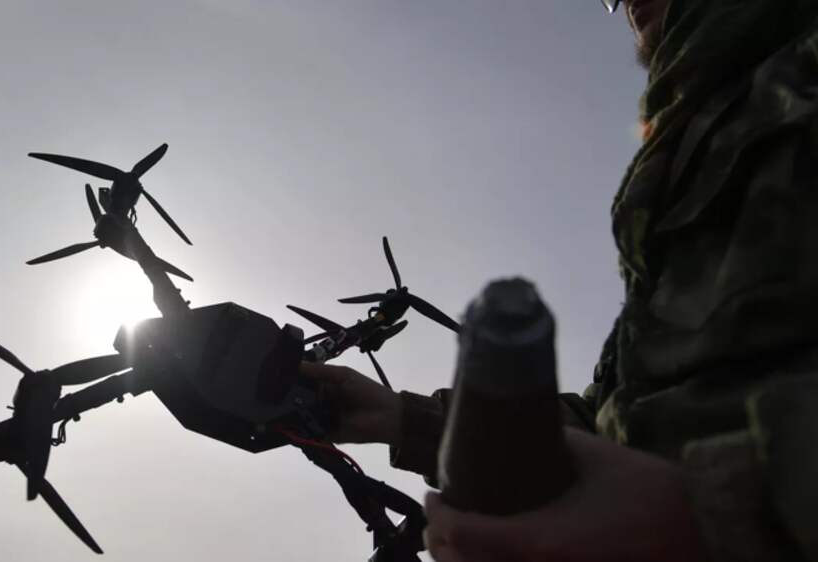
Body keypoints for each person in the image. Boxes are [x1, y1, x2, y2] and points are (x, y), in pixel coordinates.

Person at [302, 0, 818, 560]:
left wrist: (710, 517)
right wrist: (405, 420)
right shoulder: (702, 131)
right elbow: (613, 424)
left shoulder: (796, 80)